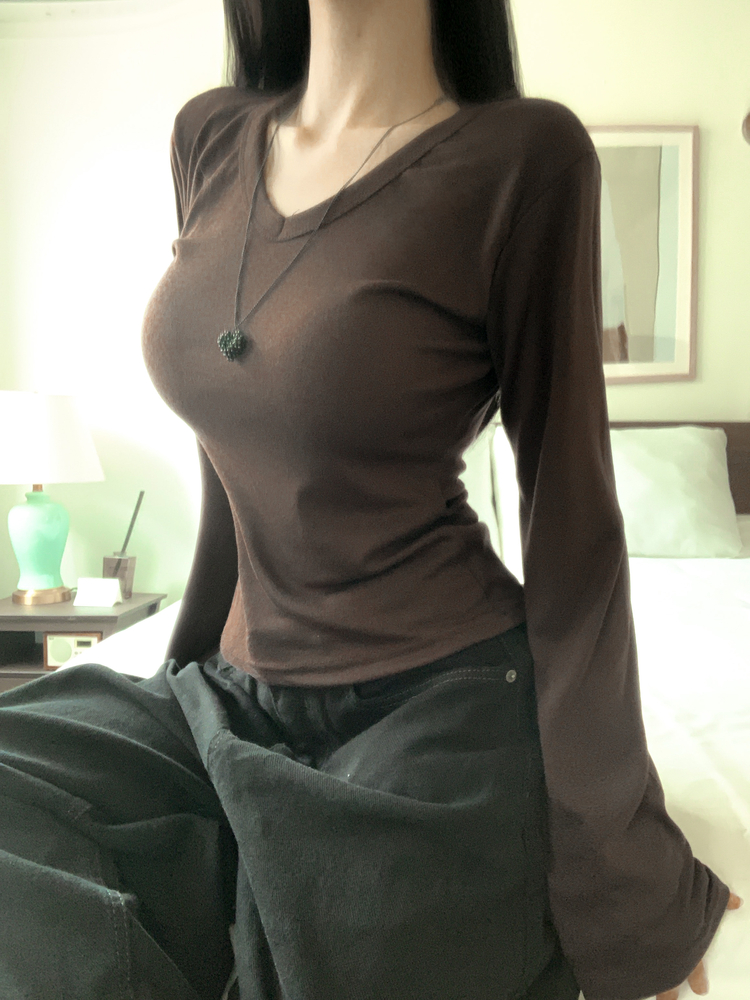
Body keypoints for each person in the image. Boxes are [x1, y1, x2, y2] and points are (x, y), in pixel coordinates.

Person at [0, 0, 741, 998]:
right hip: (233, 693)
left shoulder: (525, 157)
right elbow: (235, 447)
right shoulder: (208, 137)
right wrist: (182, 680)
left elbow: (572, 522)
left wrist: (623, 875)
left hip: (442, 695)